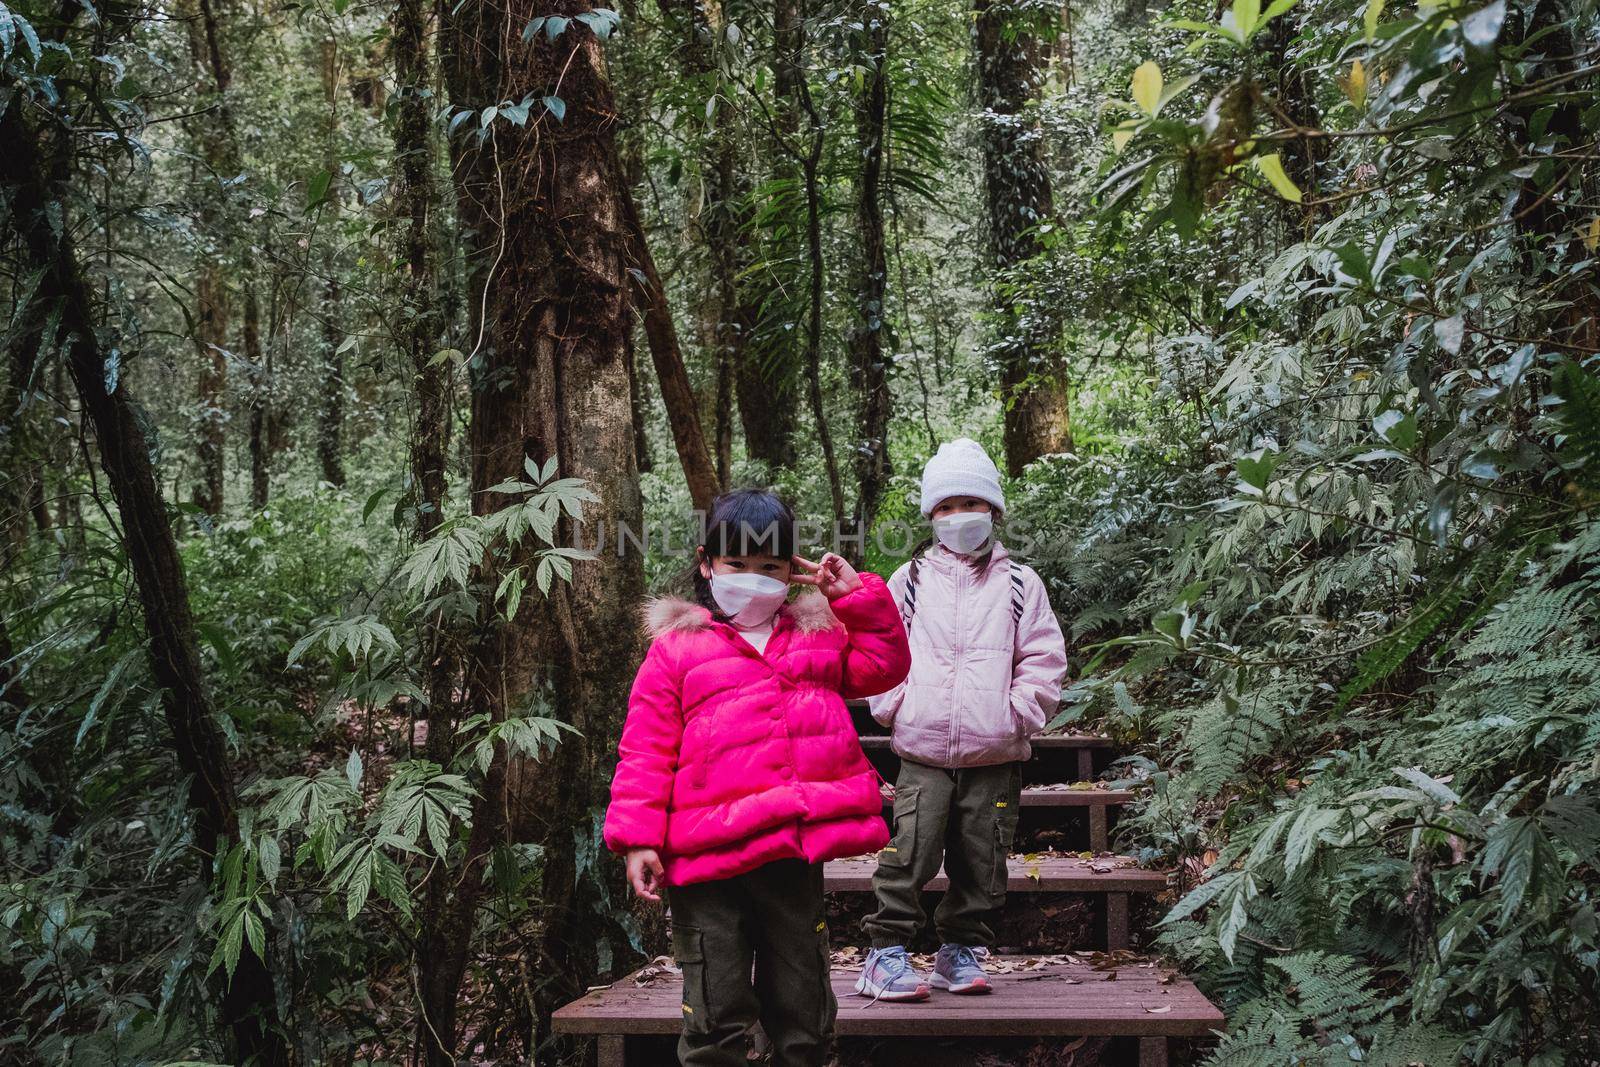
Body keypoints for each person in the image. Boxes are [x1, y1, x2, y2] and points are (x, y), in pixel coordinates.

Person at [603, 488, 911, 1066]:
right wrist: (638, 838)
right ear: (706, 564)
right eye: (736, 566)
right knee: (715, 1003)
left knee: (802, 997)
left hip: (789, 852)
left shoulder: (814, 635)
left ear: (792, 573)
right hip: (702, 861)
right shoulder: (676, 650)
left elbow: (883, 667)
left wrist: (856, 600)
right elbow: (644, 748)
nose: (752, 579)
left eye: (769, 568)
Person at [857, 438, 1069, 1000]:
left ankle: (961, 949)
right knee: (911, 850)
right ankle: (886, 953)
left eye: (970, 505)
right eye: (945, 507)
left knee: (983, 856)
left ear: (994, 511)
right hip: (921, 749)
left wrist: (1016, 714)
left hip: (994, 754)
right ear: (930, 515)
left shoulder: (1022, 583)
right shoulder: (909, 580)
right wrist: (893, 703)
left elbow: (1044, 659)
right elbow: (882, 647)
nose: (958, 518)